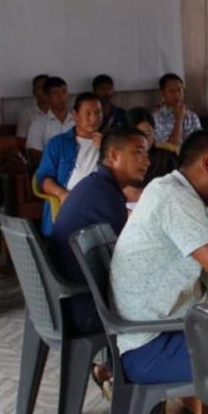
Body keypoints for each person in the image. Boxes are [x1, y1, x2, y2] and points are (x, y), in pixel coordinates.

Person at [110, 131, 208, 384]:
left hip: (161, 331)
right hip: (151, 347)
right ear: (207, 163)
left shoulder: (172, 188)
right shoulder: (174, 198)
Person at [51, 126, 148, 336]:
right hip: (85, 308)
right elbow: (126, 267)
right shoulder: (106, 197)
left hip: (66, 300)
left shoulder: (94, 186)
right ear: (113, 155)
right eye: (138, 152)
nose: (146, 161)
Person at [35, 93, 102, 237]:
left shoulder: (110, 143)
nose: (94, 119)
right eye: (88, 113)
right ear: (75, 115)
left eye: (97, 113)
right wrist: (62, 194)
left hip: (99, 201)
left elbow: (118, 175)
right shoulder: (58, 143)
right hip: (69, 199)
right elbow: (43, 177)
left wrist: (104, 149)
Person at [25, 76, 74, 160]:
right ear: (47, 97)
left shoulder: (78, 120)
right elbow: (35, 156)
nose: (61, 97)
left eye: (64, 92)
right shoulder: (38, 123)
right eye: (55, 93)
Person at [127, 107, 178, 187]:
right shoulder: (122, 162)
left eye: (148, 133)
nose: (145, 139)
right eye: (140, 134)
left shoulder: (167, 159)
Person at [153, 73, 203, 147]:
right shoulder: (156, 118)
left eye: (179, 90)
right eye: (172, 91)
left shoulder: (192, 116)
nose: (176, 95)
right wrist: (179, 119)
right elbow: (170, 148)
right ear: (162, 93)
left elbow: (201, 143)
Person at [16, 74, 50, 139]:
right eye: (40, 87)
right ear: (34, 92)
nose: (44, 91)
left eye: (46, 88)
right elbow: (21, 140)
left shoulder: (58, 112)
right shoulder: (27, 114)